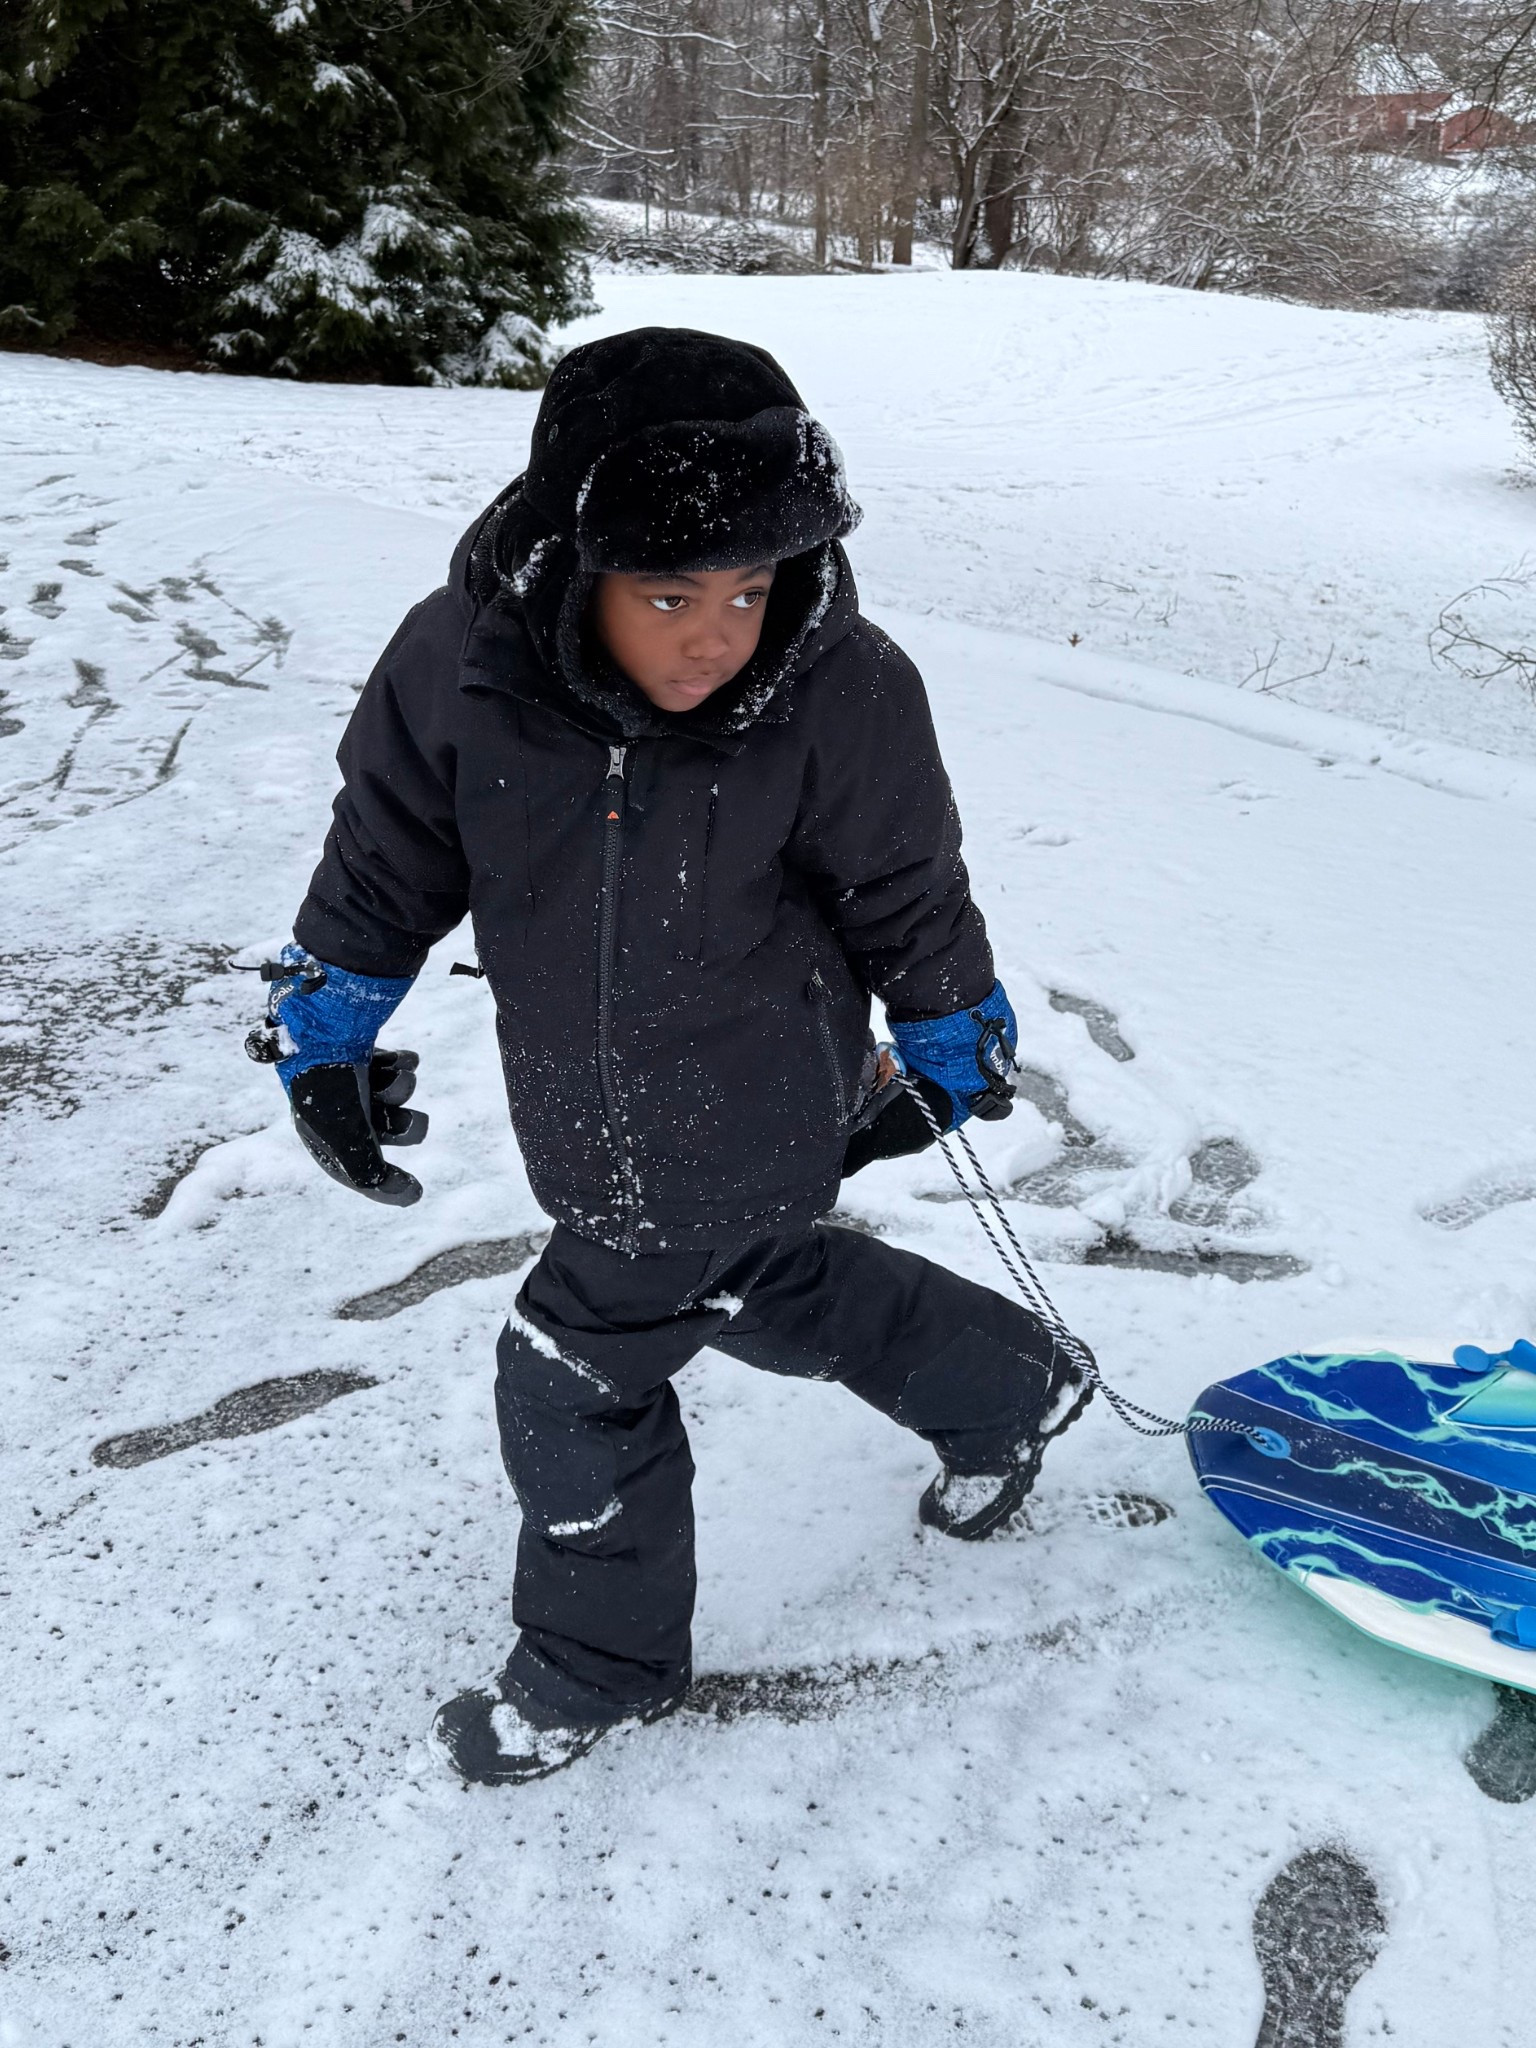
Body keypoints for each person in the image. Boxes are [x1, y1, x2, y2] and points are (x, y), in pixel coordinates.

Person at [248, 327, 1092, 1787]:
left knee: (572, 1370)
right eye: (670, 593)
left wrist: (951, 1028)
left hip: (752, 1087)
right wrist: (327, 1019)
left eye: (752, 590)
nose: (718, 635)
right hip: (582, 1092)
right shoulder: (462, 666)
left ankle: (602, 1663)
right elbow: (388, 853)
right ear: (578, 561)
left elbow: (906, 881)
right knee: (762, 1283)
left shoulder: (840, 686)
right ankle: (1008, 1387)